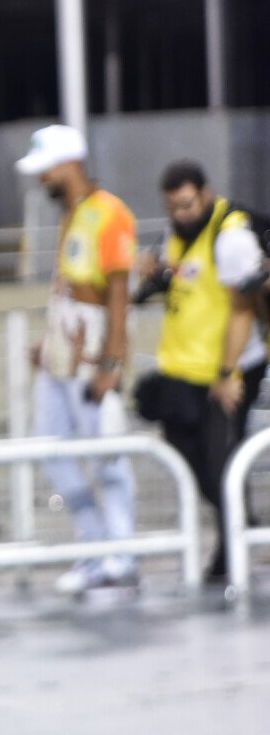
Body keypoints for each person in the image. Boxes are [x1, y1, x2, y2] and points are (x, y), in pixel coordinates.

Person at [16, 124, 139, 598]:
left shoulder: (110, 214)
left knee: (105, 455)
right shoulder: (71, 213)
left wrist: (112, 363)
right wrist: (48, 347)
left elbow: (116, 294)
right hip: (62, 355)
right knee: (51, 447)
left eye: (44, 171)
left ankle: (121, 557)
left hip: (91, 357)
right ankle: (95, 547)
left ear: (67, 165)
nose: (40, 180)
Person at [135, 161, 267, 583]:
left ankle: (232, 557)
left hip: (226, 370)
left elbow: (242, 309)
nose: (180, 214)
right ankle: (240, 528)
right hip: (184, 368)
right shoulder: (178, 235)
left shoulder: (230, 237)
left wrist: (228, 374)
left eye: (188, 204)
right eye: (173, 207)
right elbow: (178, 284)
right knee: (190, 456)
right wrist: (154, 278)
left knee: (222, 463)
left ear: (206, 195)